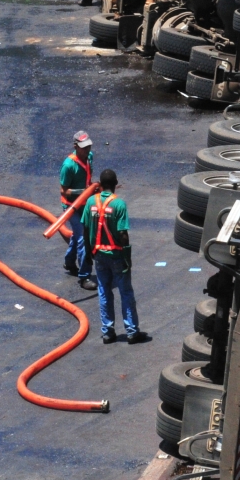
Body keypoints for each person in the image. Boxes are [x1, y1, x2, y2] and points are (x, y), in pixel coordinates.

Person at [83, 169, 148, 344]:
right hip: (116, 255)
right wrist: (127, 257)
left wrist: (88, 254)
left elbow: (85, 229)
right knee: (125, 292)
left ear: (100, 184)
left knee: (104, 291)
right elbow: (123, 234)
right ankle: (132, 331)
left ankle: (107, 332)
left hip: (98, 255)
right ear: (116, 184)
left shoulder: (90, 202)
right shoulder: (119, 204)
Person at [59, 131, 96, 290]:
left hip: (84, 204)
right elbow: (64, 191)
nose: (87, 150)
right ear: (75, 146)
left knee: (77, 235)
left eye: (88, 146)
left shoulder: (89, 157)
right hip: (71, 207)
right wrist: (83, 192)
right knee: (83, 239)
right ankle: (84, 276)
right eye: (83, 147)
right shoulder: (68, 166)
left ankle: (69, 262)